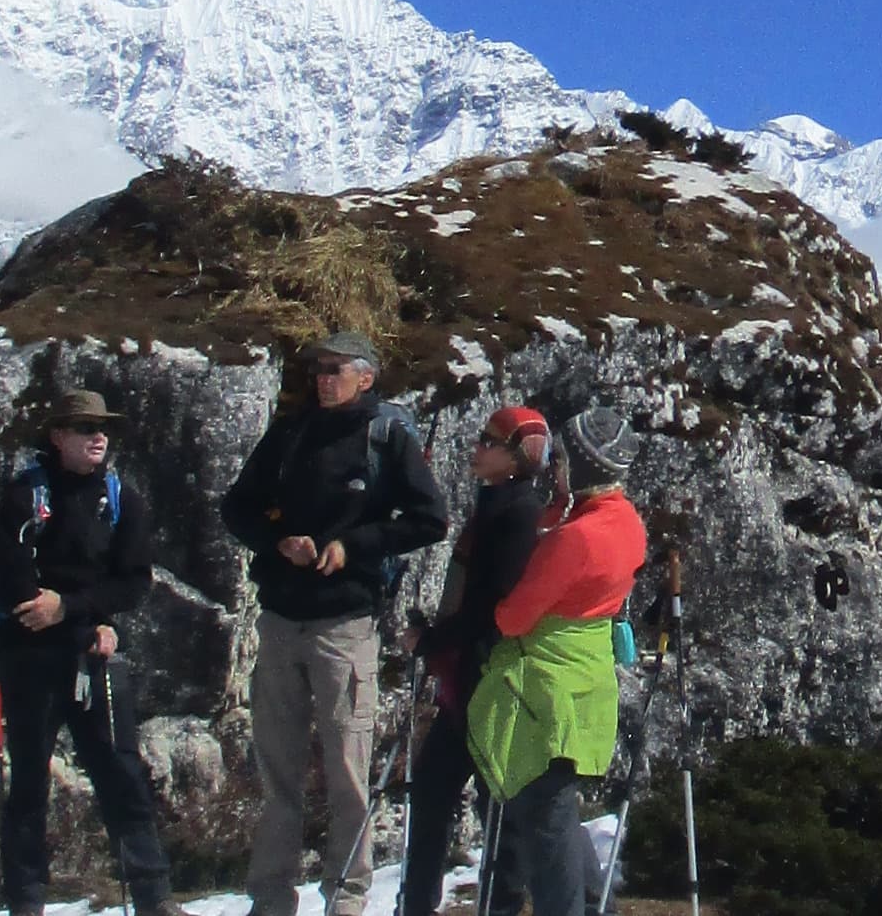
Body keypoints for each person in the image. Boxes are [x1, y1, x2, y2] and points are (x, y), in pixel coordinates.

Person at [221, 330, 449, 916]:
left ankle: (345, 897)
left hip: (346, 624)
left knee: (349, 772)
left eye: (335, 369)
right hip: (280, 620)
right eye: (317, 369)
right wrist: (278, 542)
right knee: (278, 770)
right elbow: (236, 506)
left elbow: (429, 520)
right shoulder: (290, 431)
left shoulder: (386, 435)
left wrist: (352, 547)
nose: (323, 379)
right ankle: (270, 899)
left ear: (366, 377)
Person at [0, 389, 188, 916]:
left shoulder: (123, 498)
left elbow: (133, 581)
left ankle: (153, 896)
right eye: (84, 427)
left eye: (103, 428)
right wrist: (64, 611)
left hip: (91, 654)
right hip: (30, 657)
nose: (98, 437)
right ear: (58, 437)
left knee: (122, 773)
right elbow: (9, 581)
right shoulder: (22, 497)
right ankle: (26, 899)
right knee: (29, 780)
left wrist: (77, 610)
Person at [467, 407, 647, 916]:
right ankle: (595, 906)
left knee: (543, 820)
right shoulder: (626, 523)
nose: (555, 468)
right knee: (556, 812)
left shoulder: (575, 538)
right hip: (585, 683)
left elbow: (513, 617)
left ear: (585, 468)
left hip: (544, 689)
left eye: (565, 460)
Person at [398, 406, 551, 916]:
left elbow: (492, 607)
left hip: (487, 681)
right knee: (435, 793)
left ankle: (497, 907)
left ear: (514, 458)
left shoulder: (516, 513)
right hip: (467, 680)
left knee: (490, 807)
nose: (477, 446)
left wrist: (431, 639)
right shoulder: (496, 504)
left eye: (490, 440)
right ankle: (417, 904)